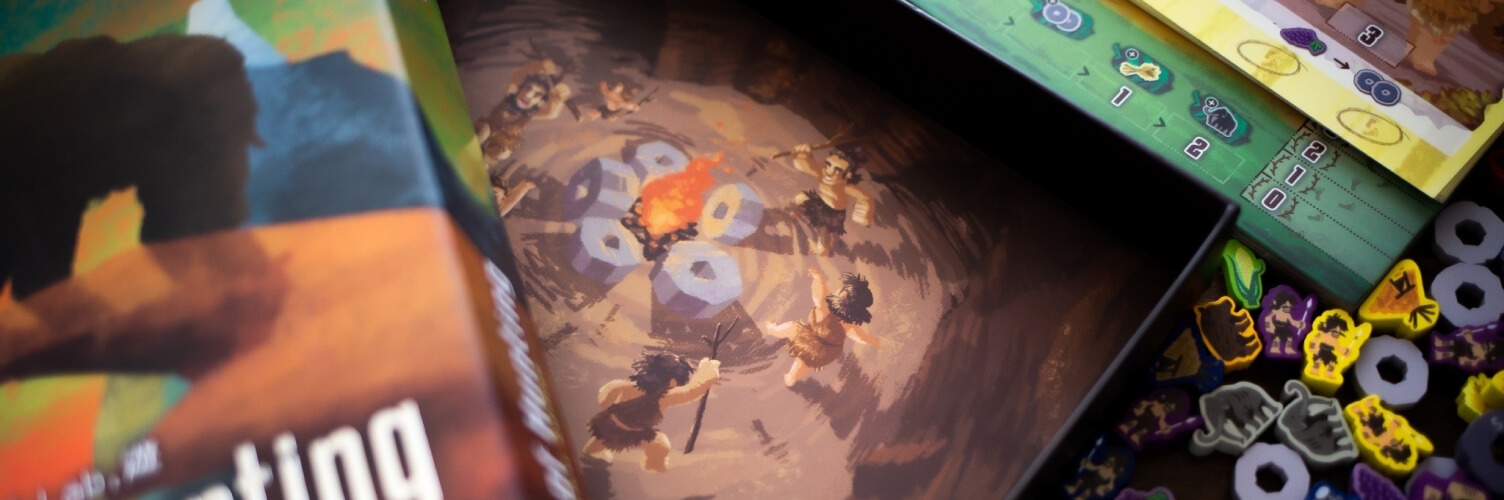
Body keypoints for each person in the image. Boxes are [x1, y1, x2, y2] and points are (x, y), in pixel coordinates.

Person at [581, 352, 721, 472]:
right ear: (673, 382)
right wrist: (709, 371)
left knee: (600, 441)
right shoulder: (664, 396)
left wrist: (610, 409)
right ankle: (654, 467)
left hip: (610, 425)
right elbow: (693, 390)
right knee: (661, 446)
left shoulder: (629, 386)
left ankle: (591, 454)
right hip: (635, 433)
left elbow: (606, 395)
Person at [764, 267, 880, 387]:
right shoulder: (849, 325)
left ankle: (773, 330)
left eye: (841, 290)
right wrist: (873, 341)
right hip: (827, 353)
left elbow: (819, 294)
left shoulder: (824, 309)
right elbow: (861, 337)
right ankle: (792, 377)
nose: (837, 290)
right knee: (807, 361)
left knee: (794, 328)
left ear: (840, 299)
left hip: (811, 344)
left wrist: (819, 279)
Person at [787, 144, 874, 256]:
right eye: (828, 165)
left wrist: (863, 214)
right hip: (819, 202)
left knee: (822, 239)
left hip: (832, 214)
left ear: (847, 174)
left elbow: (864, 197)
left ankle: (823, 245)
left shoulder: (845, 186)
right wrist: (802, 156)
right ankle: (789, 212)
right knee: (802, 196)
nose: (829, 172)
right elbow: (809, 167)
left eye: (837, 170)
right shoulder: (823, 173)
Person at [1262, 289, 1306, 357]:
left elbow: (1292, 322)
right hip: (1276, 327)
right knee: (1276, 338)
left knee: (1289, 337)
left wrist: (1298, 324)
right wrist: (1269, 326)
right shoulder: (1275, 311)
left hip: (1284, 328)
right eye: (1285, 306)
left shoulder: (1288, 314)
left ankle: (1288, 349)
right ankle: (1275, 348)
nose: (1287, 309)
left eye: (1289, 307)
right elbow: (1268, 318)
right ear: (1278, 304)